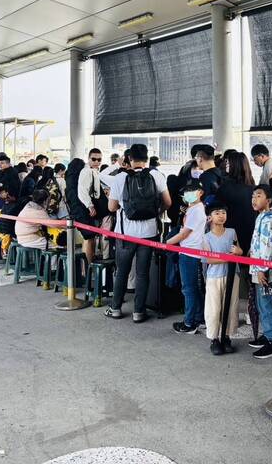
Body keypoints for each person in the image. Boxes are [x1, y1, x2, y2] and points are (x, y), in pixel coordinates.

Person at [104, 143, 171, 323]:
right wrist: (156, 212)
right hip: (149, 233)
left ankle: (115, 308)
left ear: (129, 159)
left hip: (125, 234)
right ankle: (139, 312)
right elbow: (168, 202)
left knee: (122, 272)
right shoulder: (156, 175)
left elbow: (112, 207)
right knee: (142, 273)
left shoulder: (120, 178)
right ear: (146, 158)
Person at [216, 152, 258, 341]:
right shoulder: (253, 188)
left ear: (231, 166)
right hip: (251, 238)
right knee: (251, 279)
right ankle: (252, 314)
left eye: (227, 164)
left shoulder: (225, 188)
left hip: (232, 239)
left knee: (230, 280)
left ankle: (229, 319)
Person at [247, 185, 272, 359]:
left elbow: (268, 246)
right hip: (259, 267)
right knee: (262, 303)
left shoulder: (268, 219)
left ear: (268, 200)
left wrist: (262, 268)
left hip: (265, 270)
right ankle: (270, 333)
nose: (254, 199)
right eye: (253, 196)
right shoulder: (262, 217)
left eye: (259, 196)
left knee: (266, 304)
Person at [201, 202, 242, 355]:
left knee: (231, 307)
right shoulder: (206, 237)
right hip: (214, 277)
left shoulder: (232, 232)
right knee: (214, 309)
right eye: (217, 213)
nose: (221, 216)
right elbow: (208, 259)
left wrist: (238, 252)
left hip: (232, 275)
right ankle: (214, 339)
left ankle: (227, 337)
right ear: (210, 217)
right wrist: (228, 257)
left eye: (223, 213)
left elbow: (239, 251)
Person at [167, 179, 207, 334]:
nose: (187, 194)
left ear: (200, 192)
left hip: (190, 253)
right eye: (186, 191)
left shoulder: (196, 210)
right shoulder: (194, 208)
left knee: (189, 289)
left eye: (191, 190)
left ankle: (189, 323)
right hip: (190, 252)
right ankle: (199, 318)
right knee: (194, 288)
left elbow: (184, 234)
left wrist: (166, 243)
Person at [74, 148, 104, 265]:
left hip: (87, 208)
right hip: (87, 209)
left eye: (99, 159)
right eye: (94, 159)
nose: (96, 162)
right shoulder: (86, 171)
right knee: (89, 239)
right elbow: (82, 191)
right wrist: (90, 206)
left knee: (89, 238)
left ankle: (86, 266)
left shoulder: (93, 171)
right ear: (88, 158)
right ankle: (87, 266)